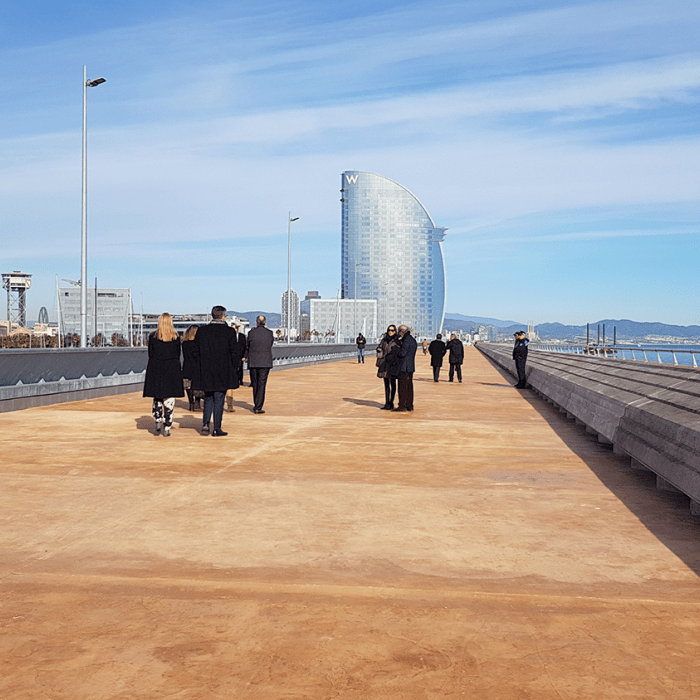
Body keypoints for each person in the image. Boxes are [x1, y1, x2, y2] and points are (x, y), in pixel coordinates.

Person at [193, 305, 240, 436]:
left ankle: (205, 424)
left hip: (206, 369)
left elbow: (195, 351)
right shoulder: (229, 332)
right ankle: (216, 428)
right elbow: (234, 352)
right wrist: (234, 367)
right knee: (219, 398)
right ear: (223, 316)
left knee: (208, 397)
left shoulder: (202, 331)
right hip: (223, 369)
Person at [142, 313, 185, 437]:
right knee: (170, 398)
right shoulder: (176, 337)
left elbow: (151, 354)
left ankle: (157, 420)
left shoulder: (153, 336)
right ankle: (167, 425)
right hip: (171, 368)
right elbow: (177, 354)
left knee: (157, 396)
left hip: (156, 368)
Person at [247, 315, 274, 414]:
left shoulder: (251, 333)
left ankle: (256, 404)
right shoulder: (270, 333)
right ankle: (258, 406)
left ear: (256, 322)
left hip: (253, 361)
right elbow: (270, 344)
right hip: (265, 362)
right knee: (262, 384)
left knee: (255, 384)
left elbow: (248, 346)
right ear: (265, 323)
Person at [393, 325, 417, 412]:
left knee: (402, 387)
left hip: (404, 367)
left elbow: (403, 353)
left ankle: (402, 405)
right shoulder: (412, 340)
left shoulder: (406, 340)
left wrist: (396, 350)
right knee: (409, 387)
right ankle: (409, 405)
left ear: (401, 332)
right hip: (410, 367)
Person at [375, 324, 399, 410]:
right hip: (384, 364)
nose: (390, 332)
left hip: (392, 365)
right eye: (389, 330)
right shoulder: (384, 340)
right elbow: (379, 347)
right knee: (386, 384)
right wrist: (378, 349)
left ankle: (391, 402)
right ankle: (386, 403)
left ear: (395, 331)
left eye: (392, 330)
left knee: (393, 384)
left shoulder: (397, 341)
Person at [226, 323, 248, 412]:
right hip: (230, 358)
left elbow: (245, 346)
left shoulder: (242, 336)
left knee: (240, 369)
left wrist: (244, 356)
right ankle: (229, 405)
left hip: (239, 355)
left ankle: (240, 380)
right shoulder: (228, 336)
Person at [181, 325, 202, 411]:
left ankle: (191, 403)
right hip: (197, 366)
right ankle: (197, 402)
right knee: (198, 385)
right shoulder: (198, 344)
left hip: (187, 365)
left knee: (188, 386)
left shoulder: (184, 343)